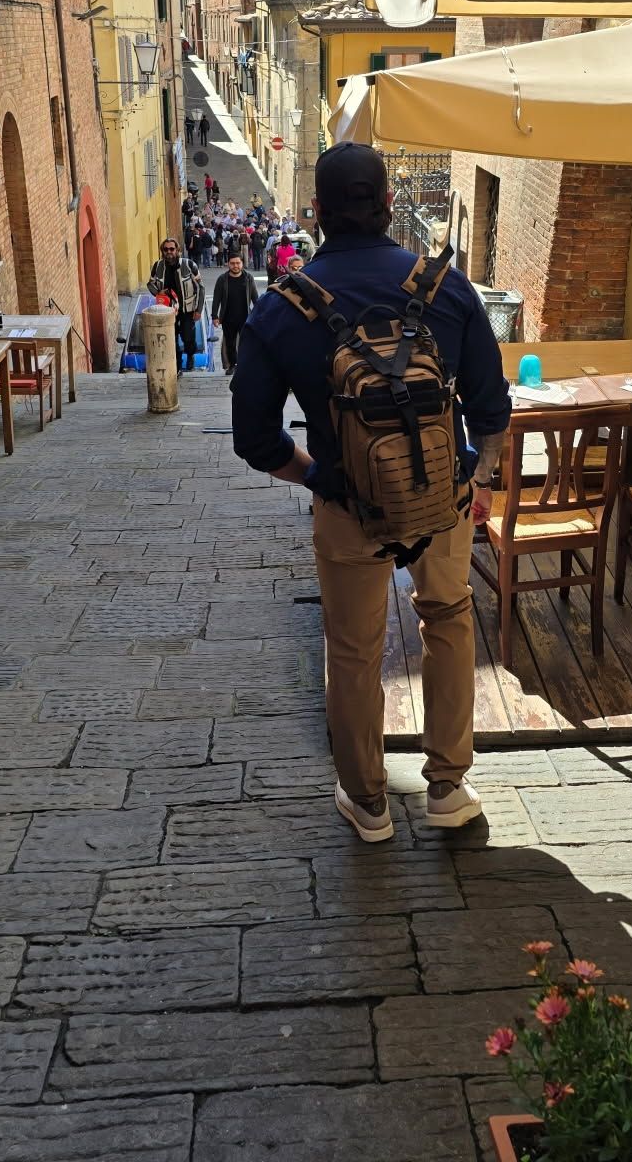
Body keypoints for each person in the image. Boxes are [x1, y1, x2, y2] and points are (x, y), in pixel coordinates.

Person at [231, 143, 510, 843]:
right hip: (440, 501)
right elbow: (491, 407)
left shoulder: (281, 309)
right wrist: (469, 473)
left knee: (354, 651)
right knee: (447, 619)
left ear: (319, 214)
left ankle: (369, 801)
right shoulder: (446, 287)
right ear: (389, 205)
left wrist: (320, 476)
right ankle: (447, 786)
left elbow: (254, 439)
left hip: (348, 506)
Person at [148, 237, 205, 374]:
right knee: (171, 339)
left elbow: (200, 288)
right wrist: (158, 292)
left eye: (172, 249)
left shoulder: (189, 265)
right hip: (167, 310)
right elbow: (150, 284)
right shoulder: (158, 266)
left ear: (178, 250)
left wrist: (198, 310)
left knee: (188, 337)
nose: (169, 252)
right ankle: (177, 367)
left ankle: (190, 354)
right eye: (166, 249)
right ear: (162, 251)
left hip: (186, 309)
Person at [211, 251, 258, 374]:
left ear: (242, 263)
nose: (235, 266)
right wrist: (214, 316)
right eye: (232, 263)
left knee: (246, 343)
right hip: (228, 317)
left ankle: (244, 365)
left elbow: (255, 298)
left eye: (238, 263)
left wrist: (259, 314)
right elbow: (216, 299)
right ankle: (232, 365)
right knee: (230, 343)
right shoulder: (222, 279)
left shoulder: (248, 278)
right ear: (228, 264)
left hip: (245, 317)